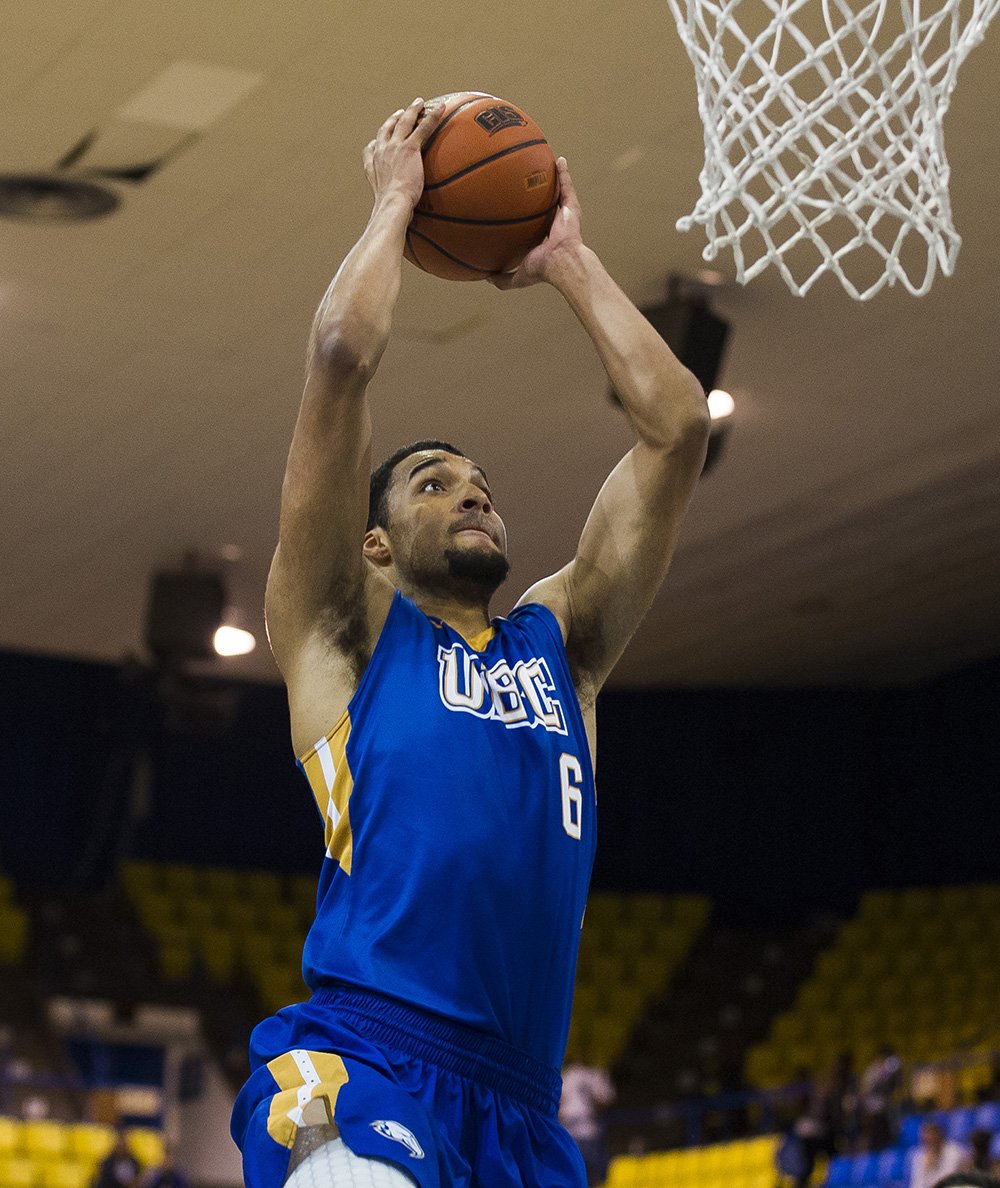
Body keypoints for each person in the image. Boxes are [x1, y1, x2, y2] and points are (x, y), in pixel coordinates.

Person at [229, 96, 710, 1188]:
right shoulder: (344, 636)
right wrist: (398, 204)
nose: (473, 495)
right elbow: (343, 353)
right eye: (435, 484)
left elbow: (676, 429)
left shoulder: (563, 644)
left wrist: (569, 262)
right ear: (376, 545)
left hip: (520, 1114)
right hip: (366, 1062)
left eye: (482, 485)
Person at [559, 1057, 617, 1186]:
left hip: (587, 1132)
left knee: (590, 1175)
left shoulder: (594, 1073)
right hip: (572, 1132)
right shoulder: (567, 1074)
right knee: (573, 1174)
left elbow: (605, 1100)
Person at [909, 1120, 968, 1188]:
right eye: (926, 1134)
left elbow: (949, 1179)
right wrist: (927, 1169)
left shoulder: (955, 1151)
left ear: (940, 1134)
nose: (929, 1137)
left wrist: (932, 1164)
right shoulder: (918, 1155)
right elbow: (916, 1184)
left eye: (932, 1133)